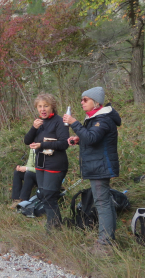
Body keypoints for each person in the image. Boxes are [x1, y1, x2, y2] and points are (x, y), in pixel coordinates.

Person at [63, 87, 121, 254]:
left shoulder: (102, 119)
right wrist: (79, 139)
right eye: (81, 99)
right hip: (98, 166)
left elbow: (93, 138)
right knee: (105, 203)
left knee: (102, 204)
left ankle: (105, 245)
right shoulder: (95, 118)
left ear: (96, 102)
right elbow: (91, 138)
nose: (82, 102)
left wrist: (74, 123)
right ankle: (108, 241)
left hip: (100, 167)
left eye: (85, 99)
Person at [23, 93, 69, 230]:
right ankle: (55, 225)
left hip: (55, 163)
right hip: (41, 163)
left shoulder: (59, 122)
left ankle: (53, 227)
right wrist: (34, 128)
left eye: (46, 106)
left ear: (52, 107)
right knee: (43, 195)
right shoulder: (39, 123)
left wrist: (42, 145)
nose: (43, 109)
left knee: (49, 195)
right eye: (40, 106)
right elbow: (27, 141)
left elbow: (64, 144)